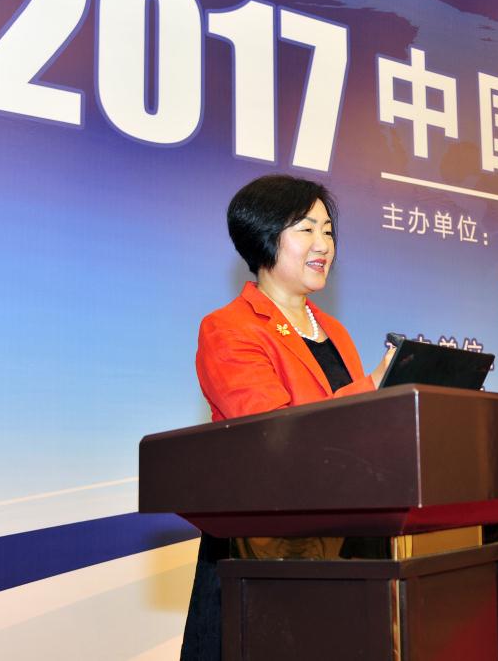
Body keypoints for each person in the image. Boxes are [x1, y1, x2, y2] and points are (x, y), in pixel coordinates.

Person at [181, 174, 393, 660]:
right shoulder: (229, 329)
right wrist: (374, 386)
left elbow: (355, 436)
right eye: (306, 229)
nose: (324, 245)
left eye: (328, 231)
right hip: (263, 549)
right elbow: (275, 436)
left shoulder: (334, 331)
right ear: (264, 237)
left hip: (344, 539)